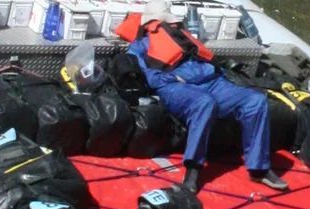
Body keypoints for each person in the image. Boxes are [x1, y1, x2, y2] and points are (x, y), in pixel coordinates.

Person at [116, 14, 288, 192]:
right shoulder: (139, 46)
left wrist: (205, 74)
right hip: (175, 87)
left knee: (255, 100)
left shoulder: (185, 38)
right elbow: (153, 79)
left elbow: (211, 65)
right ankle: (193, 169)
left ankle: (259, 169)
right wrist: (178, 77)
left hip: (212, 82)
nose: (174, 24)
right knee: (204, 103)